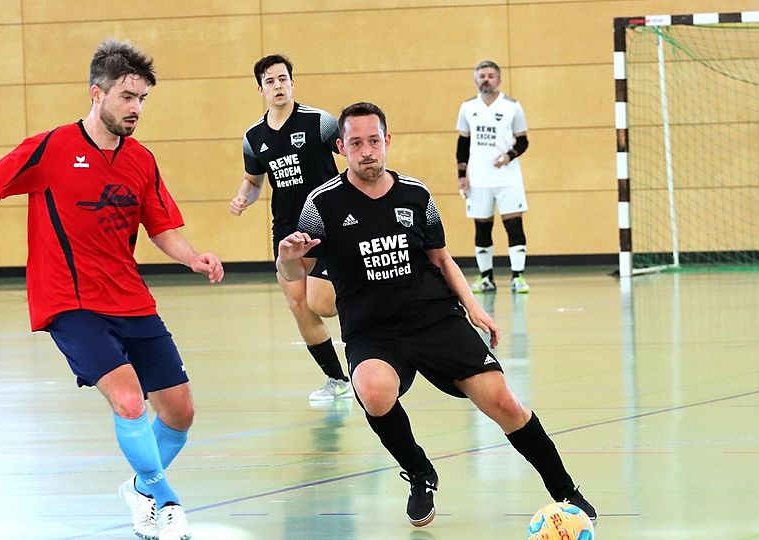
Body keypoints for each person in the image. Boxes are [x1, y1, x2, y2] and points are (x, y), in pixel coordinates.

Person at [0, 39, 220, 540]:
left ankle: (140, 487)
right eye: (126, 96)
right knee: (129, 403)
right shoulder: (50, 147)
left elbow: (160, 225)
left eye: (142, 98)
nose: (136, 108)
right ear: (96, 94)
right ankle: (165, 502)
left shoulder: (141, 160)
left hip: (132, 300)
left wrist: (192, 256)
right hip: (70, 301)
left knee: (180, 412)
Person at [277, 102, 595, 528]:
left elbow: (441, 259)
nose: (367, 150)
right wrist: (286, 259)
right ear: (341, 147)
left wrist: (474, 307)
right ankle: (420, 473)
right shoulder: (322, 204)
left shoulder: (416, 194)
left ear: (387, 142)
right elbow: (299, 272)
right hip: (373, 332)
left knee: (505, 402)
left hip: (434, 319)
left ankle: (565, 492)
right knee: (372, 390)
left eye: (374, 140)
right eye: (356, 143)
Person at [229, 54, 352, 403]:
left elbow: (351, 154)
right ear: (260, 89)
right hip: (286, 232)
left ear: (292, 83)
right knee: (299, 305)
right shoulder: (253, 137)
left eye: (283, 79)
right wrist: (243, 198)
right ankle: (337, 379)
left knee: (323, 302)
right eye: (270, 81)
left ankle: (377, 343)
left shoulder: (320, 122)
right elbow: (253, 180)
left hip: (328, 225)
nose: (278, 86)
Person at [456, 60, 531, 294]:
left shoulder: (512, 106)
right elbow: (463, 143)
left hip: (508, 178)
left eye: (490, 75)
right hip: (479, 179)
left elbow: (523, 140)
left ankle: (518, 277)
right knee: (482, 228)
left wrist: (509, 156)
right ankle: (486, 277)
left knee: (514, 225)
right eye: (481, 76)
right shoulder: (468, 107)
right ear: (475, 80)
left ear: (499, 80)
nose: (486, 79)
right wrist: (462, 175)